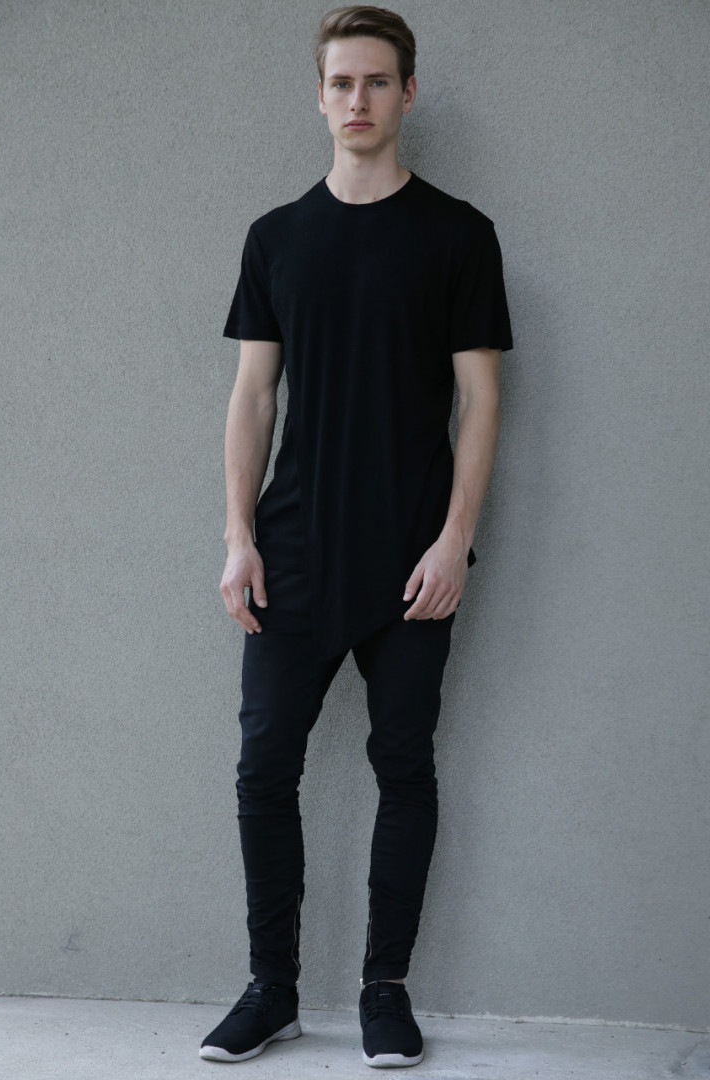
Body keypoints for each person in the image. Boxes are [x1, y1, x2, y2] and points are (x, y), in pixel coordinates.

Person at [202, 4, 513, 1069]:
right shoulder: (276, 238)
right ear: (319, 96)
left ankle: (385, 990)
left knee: (403, 766)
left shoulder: (458, 235)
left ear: (406, 94)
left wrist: (454, 538)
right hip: (290, 553)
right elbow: (252, 398)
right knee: (261, 771)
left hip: (412, 559)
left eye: (377, 81)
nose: (358, 100)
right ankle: (272, 991)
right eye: (341, 82)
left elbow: (480, 402)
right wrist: (238, 536)